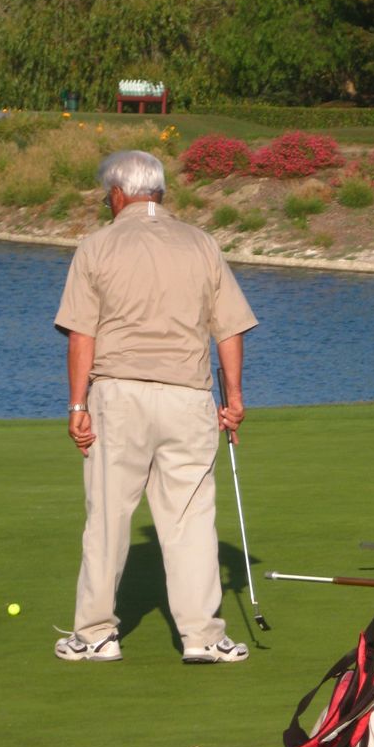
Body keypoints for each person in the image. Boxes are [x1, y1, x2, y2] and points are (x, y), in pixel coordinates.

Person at [53, 150, 258, 663]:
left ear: (119, 194)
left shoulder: (96, 245)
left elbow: (82, 335)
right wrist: (233, 400)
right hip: (188, 397)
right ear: (161, 192)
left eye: (108, 194)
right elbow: (229, 329)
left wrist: (77, 404)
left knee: (108, 518)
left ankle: (97, 633)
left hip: (118, 397)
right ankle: (203, 638)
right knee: (189, 519)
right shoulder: (202, 243)